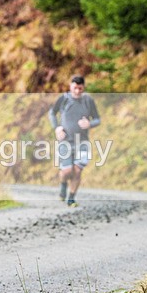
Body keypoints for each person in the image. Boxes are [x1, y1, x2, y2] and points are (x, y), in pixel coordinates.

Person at [48, 75, 100, 207]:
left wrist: (90, 124)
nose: (77, 91)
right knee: (67, 171)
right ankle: (63, 185)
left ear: (84, 87)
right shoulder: (64, 99)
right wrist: (57, 128)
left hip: (82, 143)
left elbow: (97, 119)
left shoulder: (88, 100)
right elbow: (52, 113)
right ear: (70, 86)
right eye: (75, 88)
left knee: (77, 170)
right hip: (65, 142)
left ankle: (71, 198)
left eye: (80, 88)